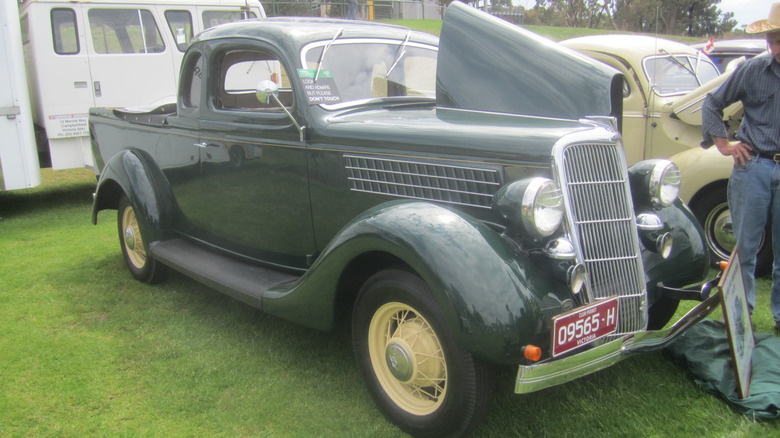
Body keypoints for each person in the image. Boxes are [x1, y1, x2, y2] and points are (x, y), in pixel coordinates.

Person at [702, 2, 780, 331]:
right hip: (754, 166)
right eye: (773, 39)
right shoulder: (753, 70)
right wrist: (724, 143)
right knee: (745, 249)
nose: (775, 46)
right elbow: (712, 102)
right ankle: (741, 321)